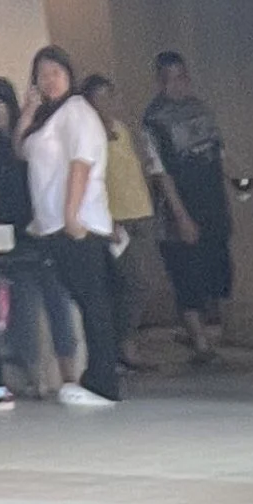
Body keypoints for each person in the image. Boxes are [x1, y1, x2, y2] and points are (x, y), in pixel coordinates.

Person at [18, 45, 116, 408]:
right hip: (52, 226)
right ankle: (96, 378)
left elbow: (82, 163)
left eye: (55, 73)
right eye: (42, 75)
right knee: (84, 300)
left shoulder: (77, 112)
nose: (48, 80)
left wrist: (73, 214)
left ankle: (104, 382)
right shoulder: (49, 118)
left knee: (93, 303)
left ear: (69, 75)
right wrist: (27, 111)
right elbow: (22, 149)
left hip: (77, 223)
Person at [0, 76, 72, 404]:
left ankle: (66, 377)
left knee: (56, 302)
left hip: (40, 228)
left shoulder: (28, 136)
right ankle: (36, 378)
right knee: (25, 308)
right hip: (12, 236)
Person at [140, 46, 230, 363]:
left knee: (216, 271)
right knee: (186, 273)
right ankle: (200, 342)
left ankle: (204, 334)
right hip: (179, 206)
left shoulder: (201, 110)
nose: (173, 85)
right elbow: (159, 170)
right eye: (167, 79)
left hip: (211, 202)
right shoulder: (154, 119)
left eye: (179, 77)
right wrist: (181, 216)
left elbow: (217, 155)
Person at [81, 71, 163, 374]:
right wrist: (108, 219)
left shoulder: (121, 129)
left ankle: (124, 343)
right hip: (117, 218)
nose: (105, 104)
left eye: (108, 97)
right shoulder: (89, 135)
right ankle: (122, 344)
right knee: (134, 283)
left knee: (141, 281)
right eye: (98, 98)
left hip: (140, 210)